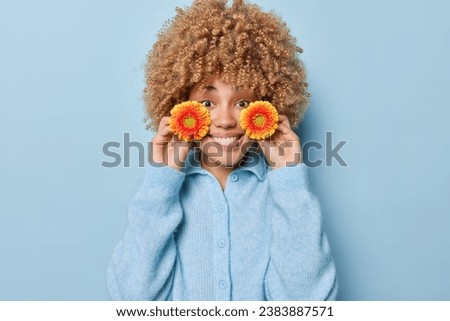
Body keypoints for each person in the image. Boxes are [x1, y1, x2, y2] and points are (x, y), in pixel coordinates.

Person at [107, 0, 338, 300]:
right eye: (207, 103)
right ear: (178, 105)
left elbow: (308, 305)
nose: (227, 121)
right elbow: (131, 302)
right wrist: (161, 181)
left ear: (268, 107)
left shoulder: (280, 191)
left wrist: (289, 181)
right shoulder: (163, 191)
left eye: (242, 103)